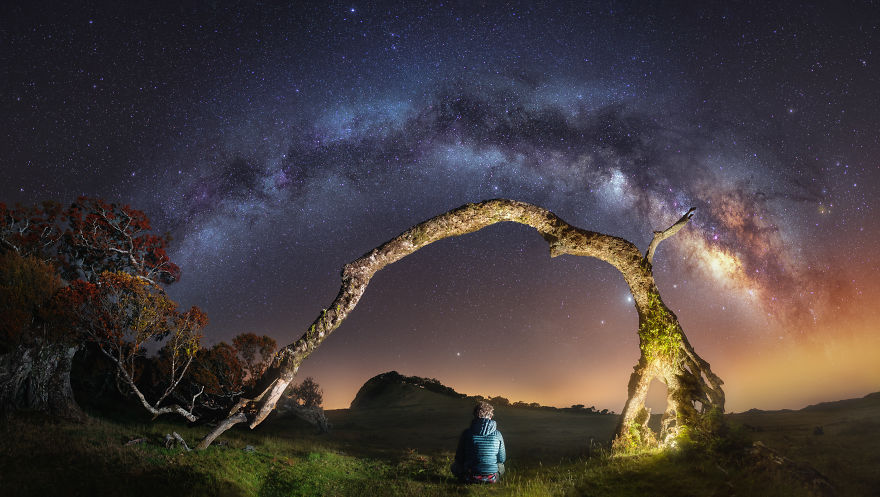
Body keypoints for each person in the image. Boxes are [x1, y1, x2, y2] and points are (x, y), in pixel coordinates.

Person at [451, 401, 506, 483]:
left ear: (474, 416)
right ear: (490, 416)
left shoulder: (466, 433)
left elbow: (459, 457)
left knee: (454, 466)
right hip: (491, 478)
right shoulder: (498, 434)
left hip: (469, 477)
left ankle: (466, 478)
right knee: (501, 466)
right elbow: (502, 458)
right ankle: (490, 479)